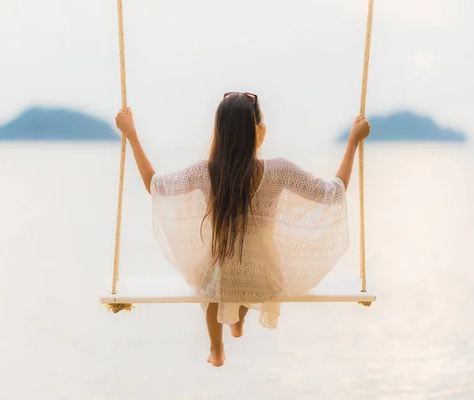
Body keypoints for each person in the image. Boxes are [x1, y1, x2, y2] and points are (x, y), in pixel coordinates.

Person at [115, 92, 370, 367]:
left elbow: (155, 185)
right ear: (258, 131)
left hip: (219, 276)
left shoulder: (206, 172)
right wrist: (353, 141)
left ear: (219, 132)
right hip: (265, 277)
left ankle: (217, 350)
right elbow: (333, 193)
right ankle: (237, 322)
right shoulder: (280, 171)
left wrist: (131, 134)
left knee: (213, 278)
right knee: (247, 269)